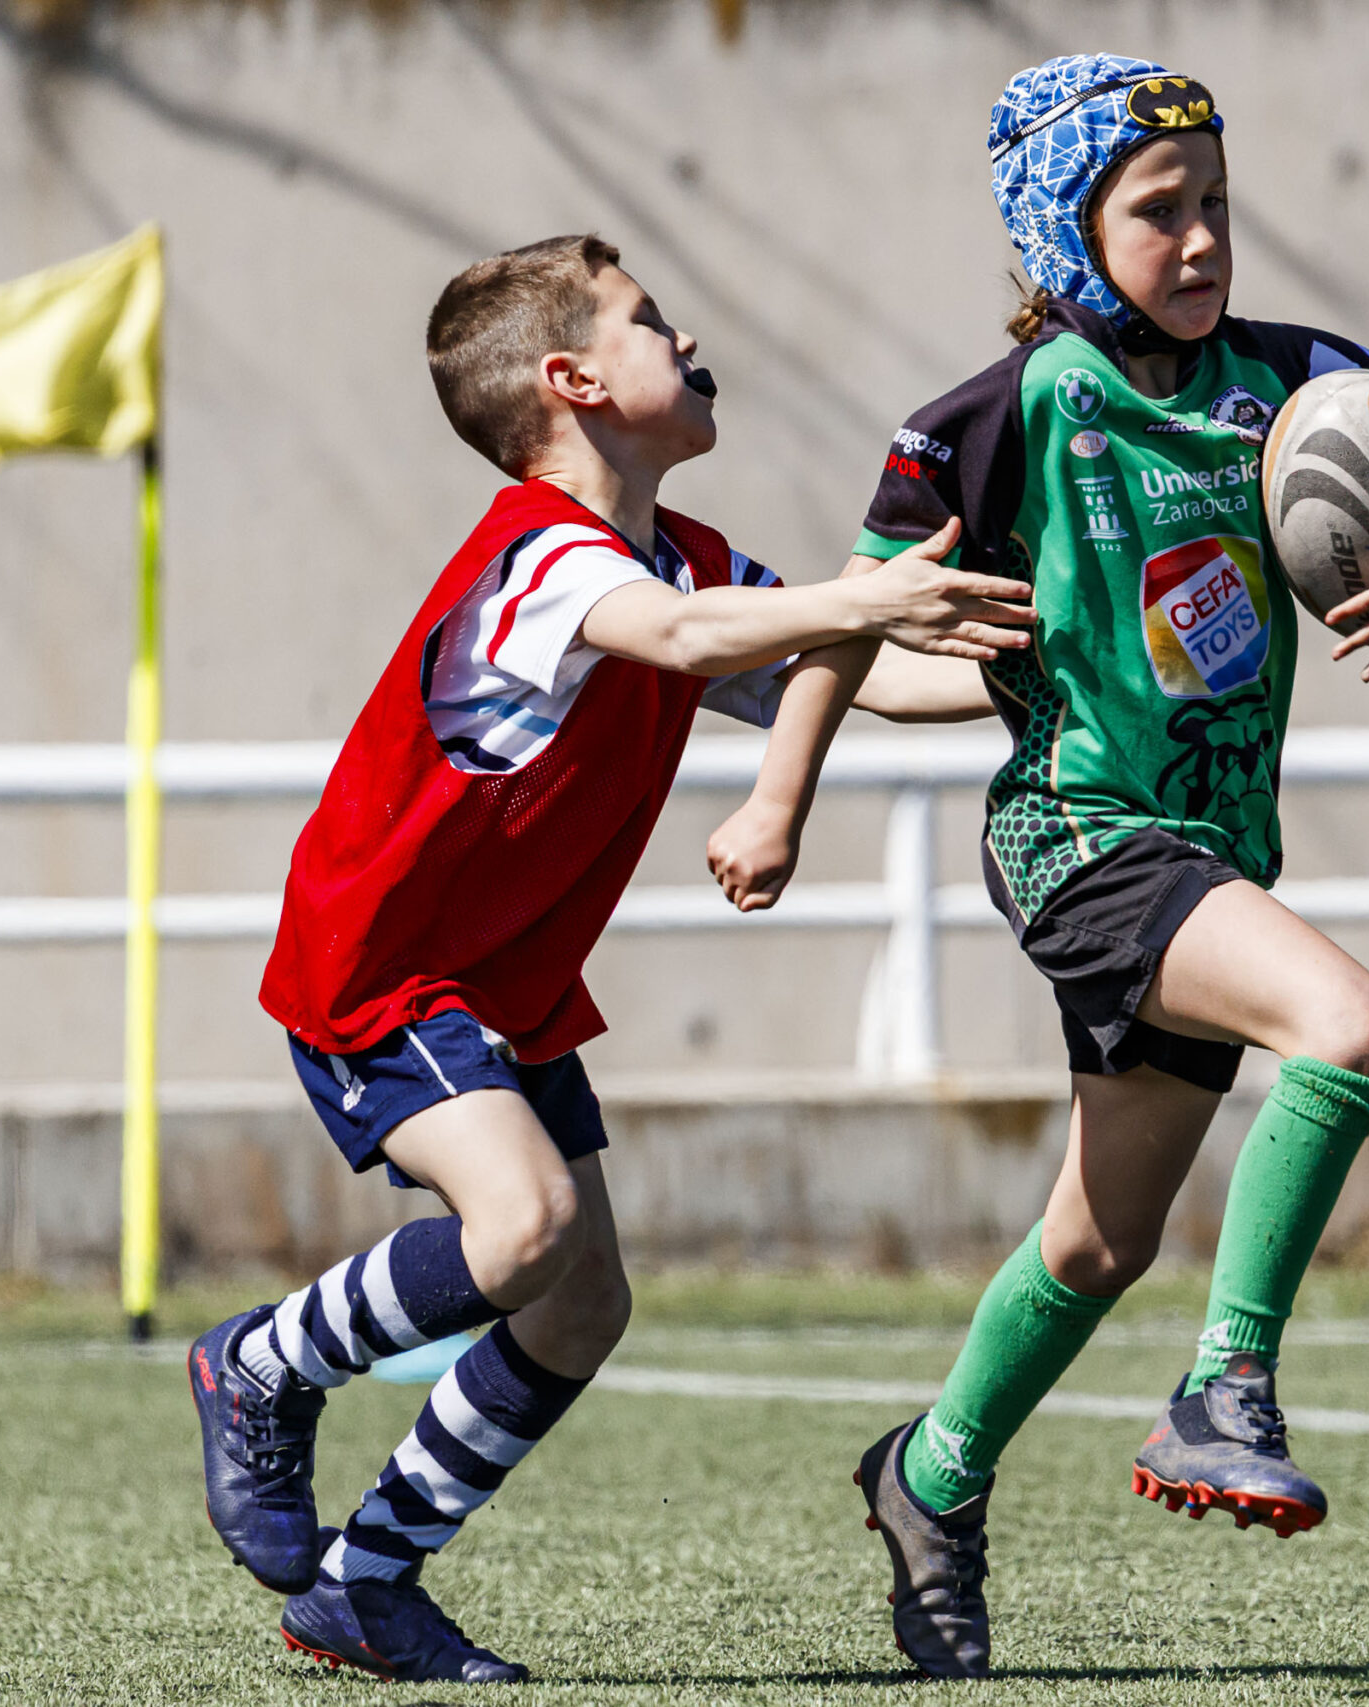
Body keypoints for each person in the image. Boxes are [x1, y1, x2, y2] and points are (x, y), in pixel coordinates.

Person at [738, 56, 1369, 1678]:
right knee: (1352, 1025)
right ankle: (1225, 1388)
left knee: (1097, 1243)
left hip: (1210, 847)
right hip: (1084, 839)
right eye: (1156, 214)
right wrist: (782, 800)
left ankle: (930, 1475)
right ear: (1064, 230)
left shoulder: (1285, 380)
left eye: (1216, 211)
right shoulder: (999, 415)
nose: (1200, 245)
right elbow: (847, 624)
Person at [188, 232, 1035, 1686]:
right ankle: (257, 1365)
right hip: (382, 968)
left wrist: (1068, 646)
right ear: (572, 381)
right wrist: (860, 598)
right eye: (653, 322)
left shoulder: (687, 557)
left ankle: (364, 1586)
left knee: (584, 1300)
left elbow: (872, 676)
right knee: (521, 1233)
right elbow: (702, 638)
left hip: (500, 984)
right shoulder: (543, 560)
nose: (689, 337)